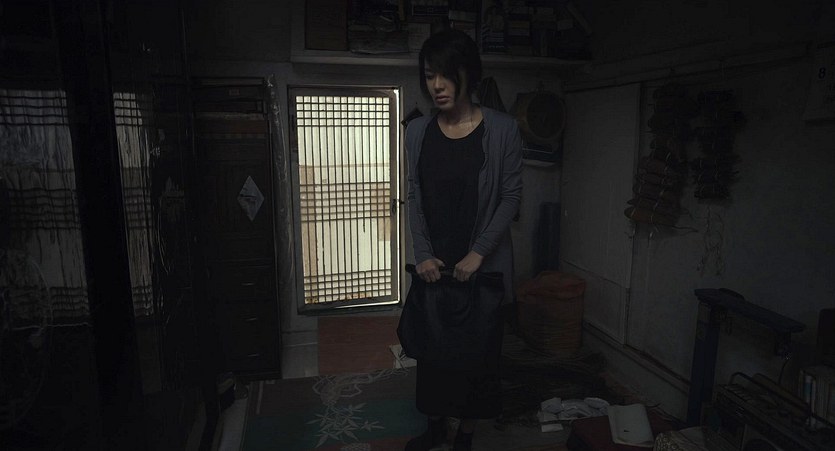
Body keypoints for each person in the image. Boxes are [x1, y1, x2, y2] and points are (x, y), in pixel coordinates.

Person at [404, 28, 523, 451]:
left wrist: (478, 254)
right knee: (434, 355)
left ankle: (465, 436)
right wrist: (422, 253)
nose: (436, 85)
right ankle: (435, 427)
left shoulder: (504, 129)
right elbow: (414, 194)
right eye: (429, 75)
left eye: (445, 74)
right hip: (434, 268)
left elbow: (510, 197)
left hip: (481, 268)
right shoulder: (417, 131)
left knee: (477, 359)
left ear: (468, 74)